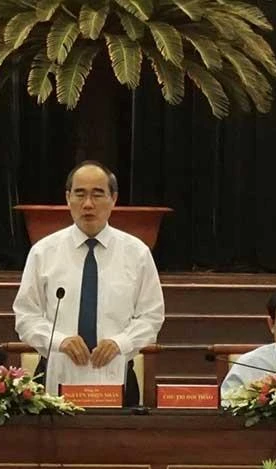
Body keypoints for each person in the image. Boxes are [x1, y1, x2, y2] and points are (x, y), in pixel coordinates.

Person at [13, 161, 165, 405]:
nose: (88, 204)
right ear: (68, 198)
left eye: (97, 194)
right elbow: (26, 316)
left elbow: (152, 316)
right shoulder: (44, 252)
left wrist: (120, 343)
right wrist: (60, 340)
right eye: (80, 194)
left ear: (113, 199)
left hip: (116, 371)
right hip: (57, 371)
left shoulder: (137, 253)